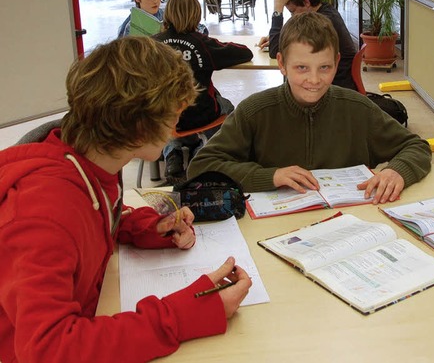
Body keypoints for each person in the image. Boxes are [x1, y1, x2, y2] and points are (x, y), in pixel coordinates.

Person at [0, 37, 252, 362]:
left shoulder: (92, 163)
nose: (178, 124)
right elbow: (48, 350)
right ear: (134, 126)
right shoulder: (42, 213)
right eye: (171, 115)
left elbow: (95, 221)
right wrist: (184, 315)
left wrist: (146, 227)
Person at [188, 12, 431, 204]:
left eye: (324, 68)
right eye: (302, 68)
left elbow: (416, 146)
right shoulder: (255, 111)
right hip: (279, 228)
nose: (314, 80)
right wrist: (270, 176)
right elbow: (201, 166)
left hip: (350, 227)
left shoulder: (358, 108)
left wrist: (397, 171)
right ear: (282, 63)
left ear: (336, 63)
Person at [153, 0, 254, 183]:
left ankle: (172, 152)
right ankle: (206, 152)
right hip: (200, 114)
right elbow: (244, 52)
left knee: (167, 110)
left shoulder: (152, 44)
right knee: (228, 108)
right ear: (196, 16)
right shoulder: (202, 43)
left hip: (163, 117)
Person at [258, 0, 358, 91]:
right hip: (334, 81)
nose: (293, 17)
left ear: (306, 2)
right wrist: (279, 37)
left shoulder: (321, 23)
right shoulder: (325, 11)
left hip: (332, 87)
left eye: (292, 11)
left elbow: (275, 51)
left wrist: (277, 10)